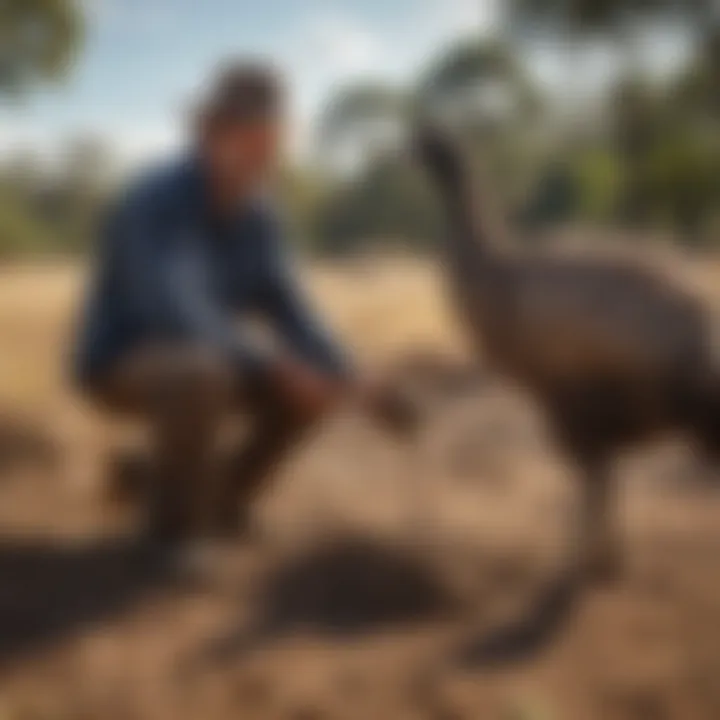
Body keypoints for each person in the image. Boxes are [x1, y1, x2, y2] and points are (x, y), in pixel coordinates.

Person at [74, 60, 386, 544]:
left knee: (309, 378)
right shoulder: (154, 202)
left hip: (214, 358)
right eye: (245, 132)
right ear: (211, 134)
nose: (260, 148)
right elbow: (177, 309)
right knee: (200, 372)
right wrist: (277, 366)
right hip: (123, 361)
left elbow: (290, 306)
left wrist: (344, 373)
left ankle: (216, 498)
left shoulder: (262, 217)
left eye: (269, 133)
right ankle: (172, 536)